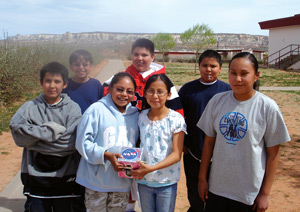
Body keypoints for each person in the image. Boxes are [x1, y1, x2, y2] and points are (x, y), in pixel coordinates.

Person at [197, 52, 290, 212]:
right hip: (217, 188)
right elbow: (209, 142)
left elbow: (273, 154)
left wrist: (265, 194)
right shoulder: (217, 101)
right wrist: (202, 179)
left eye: (244, 74)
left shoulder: (267, 107)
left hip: (248, 194)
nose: (237, 79)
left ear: (256, 75)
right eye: (233, 73)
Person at [9, 62, 82, 212]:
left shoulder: (72, 108)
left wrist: (35, 140)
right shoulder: (29, 108)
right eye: (48, 81)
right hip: (35, 179)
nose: (52, 85)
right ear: (41, 83)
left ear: (65, 84)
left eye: (57, 81)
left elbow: (71, 143)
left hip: (66, 179)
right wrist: (52, 131)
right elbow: (18, 135)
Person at [75, 72, 139, 212]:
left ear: (134, 94)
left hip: (121, 183)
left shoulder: (135, 115)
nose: (124, 94)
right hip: (96, 182)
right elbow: (82, 142)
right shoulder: (96, 110)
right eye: (119, 89)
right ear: (110, 89)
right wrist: (106, 155)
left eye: (129, 91)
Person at [178, 50, 231, 212]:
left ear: (220, 68)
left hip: (220, 154)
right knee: (195, 192)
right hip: (193, 152)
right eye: (205, 65)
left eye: (213, 66)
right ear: (199, 66)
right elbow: (179, 120)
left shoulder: (227, 91)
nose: (208, 69)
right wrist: (184, 145)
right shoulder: (188, 90)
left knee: (216, 193)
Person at [131, 74, 187, 212]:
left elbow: (176, 155)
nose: (155, 96)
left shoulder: (176, 119)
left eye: (160, 92)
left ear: (168, 95)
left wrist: (149, 169)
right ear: (144, 94)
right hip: (144, 181)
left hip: (166, 182)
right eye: (151, 91)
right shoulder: (141, 116)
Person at [103, 38, 183, 116]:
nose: (139, 58)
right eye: (136, 54)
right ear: (131, 56)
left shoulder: (162, 80)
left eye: (144, 55)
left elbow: (176, 109)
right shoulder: (121, 78)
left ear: (152, 57)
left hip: (153, 125)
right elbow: (105, 99)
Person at [63, 49, 103, 114]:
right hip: (71, 123)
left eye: (85, 65)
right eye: (77, 65)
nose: (81, 67)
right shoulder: (66, 85)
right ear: (71, 67)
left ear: (91, 66)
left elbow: (101, 106)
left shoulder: (96, 84)